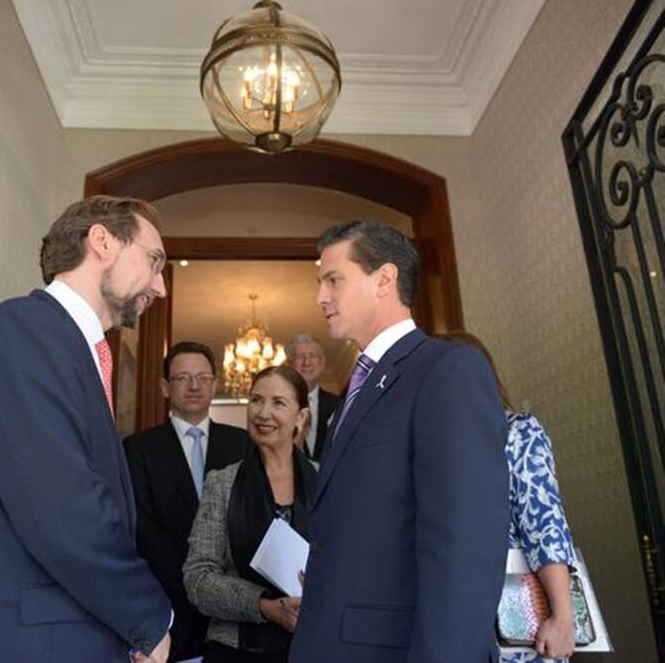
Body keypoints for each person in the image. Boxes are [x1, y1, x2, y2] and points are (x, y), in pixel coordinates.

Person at [0, 196, 173, 663]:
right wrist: (149, 617)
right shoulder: (22, 330)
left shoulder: (72, 346)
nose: (160, 286)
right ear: (101, 241)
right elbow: (64, 506)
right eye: (155, 260)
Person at [289, 220, 509, 663]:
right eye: (319, 283)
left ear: (384, 279)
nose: (320, 297)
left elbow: (463, 546)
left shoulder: (447, 369)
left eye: (333, 280)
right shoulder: (359, 386)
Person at [440, 330, 577, 663]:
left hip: (519, 620)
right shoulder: (432, 447)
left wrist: (563, 615)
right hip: (451, 620)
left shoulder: (518, 431)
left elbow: (544, 522)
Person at [125, 341, 249, 662]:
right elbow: (141, 526)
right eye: (182, 378)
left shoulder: (244, 445)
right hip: (166, 606)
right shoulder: (138, 449)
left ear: (215, 384)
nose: (194, 385)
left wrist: (222, 587)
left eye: (203, 377)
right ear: (165, 387)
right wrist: (193, 581)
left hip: (232, 612)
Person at [183, 366, 316, 663]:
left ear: (301, 416)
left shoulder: (327, 481)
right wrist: (263, 606)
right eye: (256, 400)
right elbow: (198, 578)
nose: (263, 413)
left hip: (315, 644)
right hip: (235, 651)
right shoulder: (221, 483)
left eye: (278, 403)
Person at [285, 334, 339, 463]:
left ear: (322, 363)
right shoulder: (280, 404)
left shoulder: (338, 405)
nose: (306, 362)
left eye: (312, 356)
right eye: (300, 357)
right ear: (291, 365)